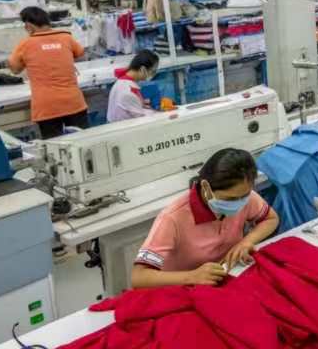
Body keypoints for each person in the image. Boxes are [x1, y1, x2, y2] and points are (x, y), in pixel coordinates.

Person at [131, 148, 280, 288]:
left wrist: (246, 242)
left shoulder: (243, 197)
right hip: (184, 287)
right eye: (230, 199)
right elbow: (139, 277)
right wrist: (192, 276)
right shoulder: (172, 218)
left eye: (244, 196)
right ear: (206, 188)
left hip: (225, 278)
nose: (239, 204)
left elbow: (271, 219)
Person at [8, 6, 89, 139]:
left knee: (55, 150)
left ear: (28, 25)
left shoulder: (26, 44)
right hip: (73, 102)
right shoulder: (66, 37)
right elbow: (79, 53)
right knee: (83, 144)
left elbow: (15, 69)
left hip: (47, 107)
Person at [107, 49, 160, 123]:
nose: (153, 75)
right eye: (152, 71)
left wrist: (141, 103)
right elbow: (144, 119)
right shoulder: (127, 91)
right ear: (143, 69)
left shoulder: (122, 82)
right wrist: (161, 114)